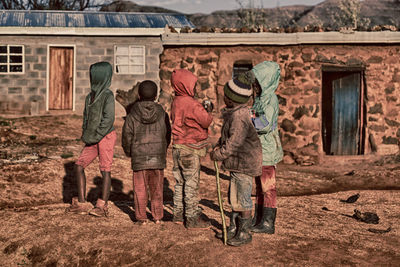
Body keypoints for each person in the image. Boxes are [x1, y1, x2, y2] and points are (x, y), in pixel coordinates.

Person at [210, 73, 262, 247]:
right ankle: (234, 227)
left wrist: (219, 154)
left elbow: (234, 142)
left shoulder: (240, 116)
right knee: (235, 197)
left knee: (243, 198)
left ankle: (244, 232)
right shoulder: (239, 112)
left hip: (244, 163)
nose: (223, 96)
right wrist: (219, 143)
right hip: (238, 163)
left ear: (231, 98)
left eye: (225, 94)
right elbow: (229, 136)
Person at [67, 61, 116, 217]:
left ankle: (102, 206)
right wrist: (85, 134)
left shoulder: (108, 95)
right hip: (92, 138)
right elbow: (86, 117)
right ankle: (82, 203)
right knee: (78, 166)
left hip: (106, 137)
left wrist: (97, 135)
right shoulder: (90, 96)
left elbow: (108, 119)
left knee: (105, 170)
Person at [121, 80, 171, 225]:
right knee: (157, 189)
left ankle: (141, 217)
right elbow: (167, 134)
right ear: (156, 96)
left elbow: (126, 136)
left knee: (140, 189)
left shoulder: (132, 114)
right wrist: (162, 149)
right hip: (157, 157)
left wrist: (130, 152)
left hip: (139, 157)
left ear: (139, 95)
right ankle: (157, 217)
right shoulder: (162, 113)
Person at [170, 69, 213, 229]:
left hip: (177, 147)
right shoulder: (192, 104)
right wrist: (208, 110)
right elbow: (206, 121)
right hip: (190, 149)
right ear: (185, 85)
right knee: (191, 183)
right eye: (193, 85)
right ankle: (192, 216)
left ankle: (178, 214)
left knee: (179, 182)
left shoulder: (176, 101)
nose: (195, 89)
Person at [248, 61, 283, 234]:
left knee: (268, 187)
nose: (255, 84)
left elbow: (265, 125)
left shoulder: (270, 100)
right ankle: (259, 217)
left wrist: (249, 120)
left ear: (266, 80)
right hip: (259, 149)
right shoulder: (261, 98)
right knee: (259, 186)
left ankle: (268, 222)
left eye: (258, 80)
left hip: (267, 149)